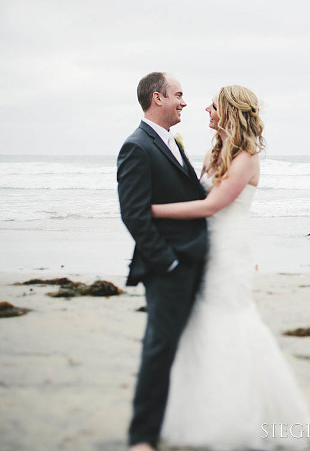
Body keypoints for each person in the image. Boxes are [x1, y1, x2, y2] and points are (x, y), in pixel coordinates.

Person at [153, 85, 310, 450]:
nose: (206, 110)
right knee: (203, 322)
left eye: (213, 106)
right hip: (204, 249)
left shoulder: (246, 156)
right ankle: (204, 408)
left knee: (230, 320)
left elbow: (213, 206)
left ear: (229, 111)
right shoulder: (218, 151)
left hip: (228, 251)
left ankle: (237, 416)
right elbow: (196, 197)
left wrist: (152, 211)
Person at [117, 72, 209, 451]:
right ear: (158, 98)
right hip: (169, 267)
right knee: (159, 348)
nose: (184, 101)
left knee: (187, 346)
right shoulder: (137, 147)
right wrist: (167, 263)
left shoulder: (170, 141)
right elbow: (134, 214)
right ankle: (142, 437)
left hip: (193, 262)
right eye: (179, 95)